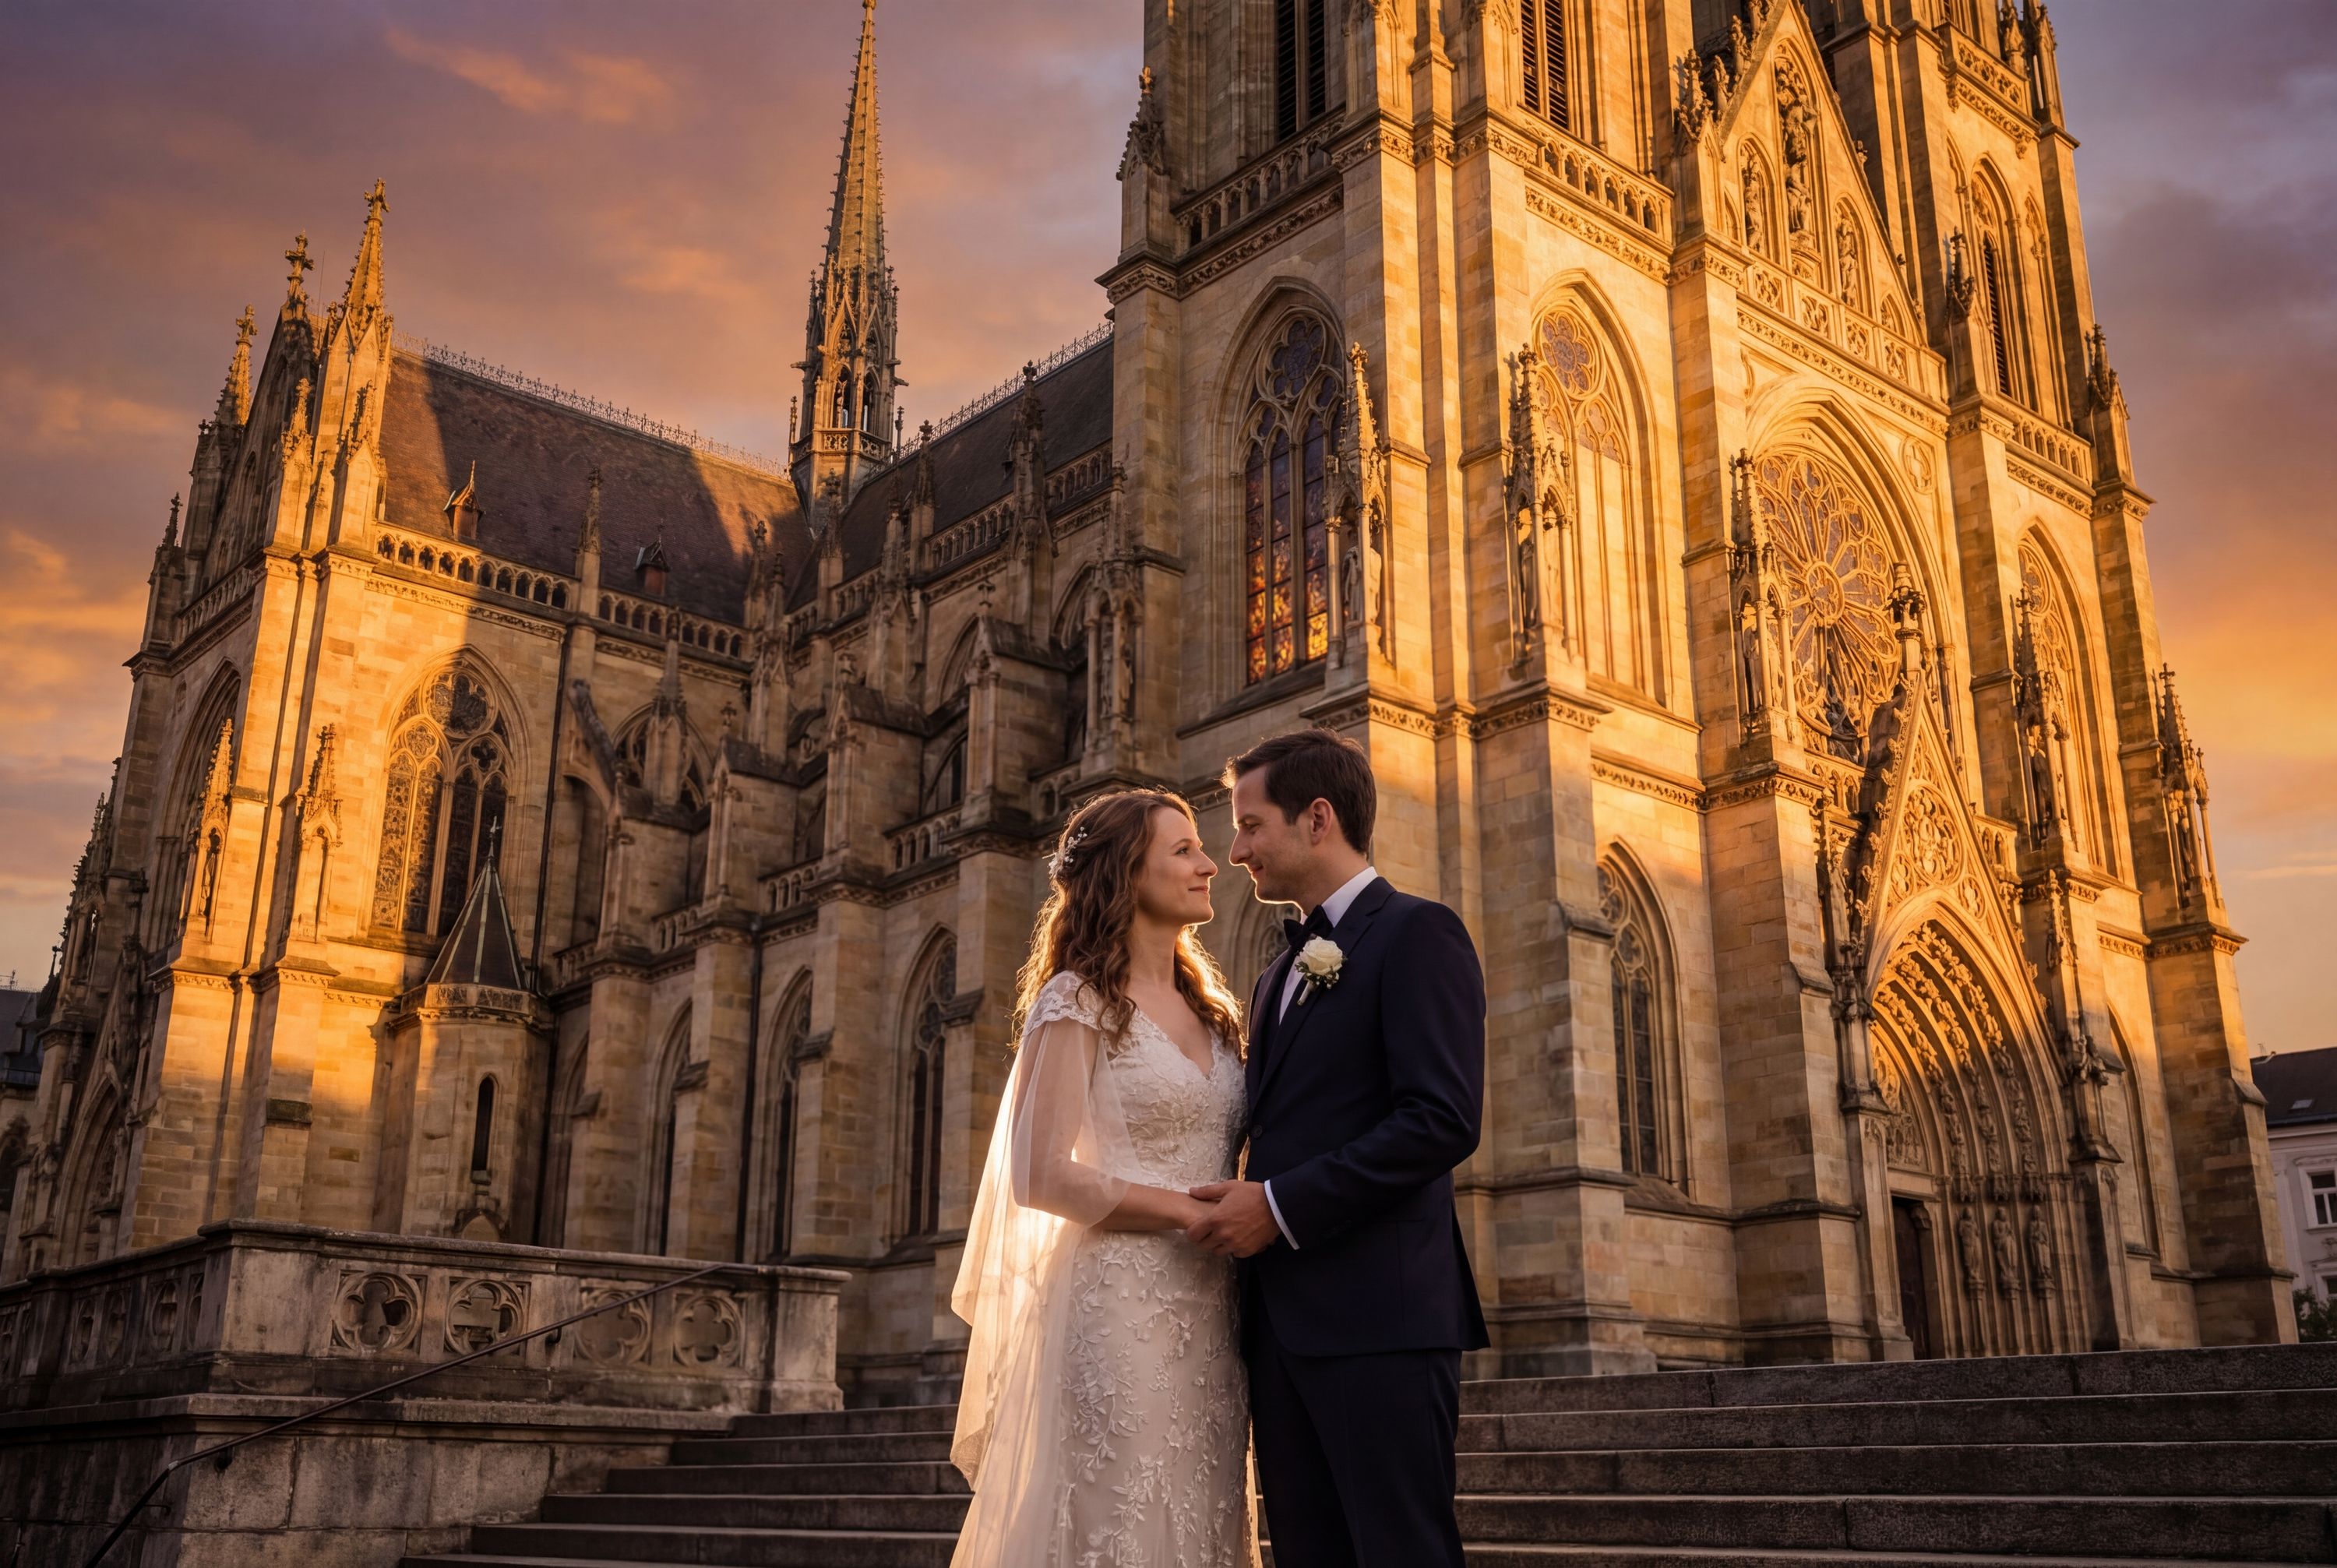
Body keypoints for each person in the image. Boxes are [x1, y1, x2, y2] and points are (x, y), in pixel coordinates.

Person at [1190, 727, 1488, 1568]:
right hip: (1281, 1332)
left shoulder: (1419, 935)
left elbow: (1442, 1119)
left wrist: (1278, 1208)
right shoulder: (1274, 975)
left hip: (1380, 1322)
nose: (1237, 849)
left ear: (1317, 818)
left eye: (1252, 825)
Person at [948, 789, 1260, 1567]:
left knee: (1201, 1514)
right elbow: (1042, 1175)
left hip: (1215, 1312)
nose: (1209, 863)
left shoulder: (1212, 1009)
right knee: (1120, 1519)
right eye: (1184, 848)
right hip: (1120, 1302)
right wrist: (1190, 1213)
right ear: (1128, 871)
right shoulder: (1077, 999)